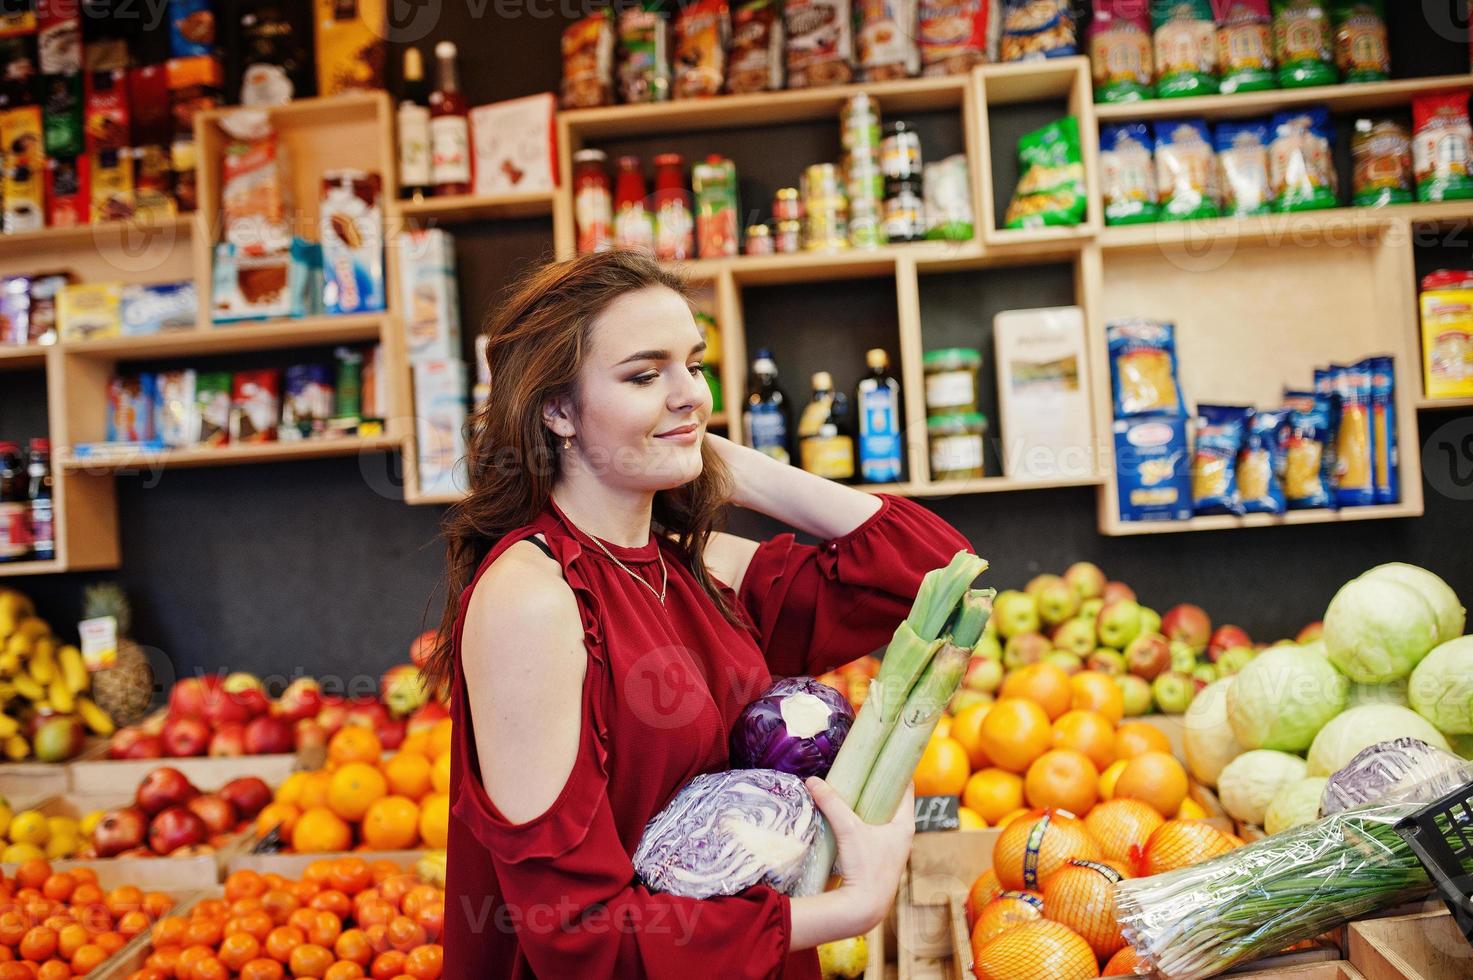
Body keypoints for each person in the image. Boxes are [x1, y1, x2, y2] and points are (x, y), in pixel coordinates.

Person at [423, 250, 974, 978]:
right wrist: (853, 906)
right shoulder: (533, 597)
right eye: (645, 375)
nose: (689, 393)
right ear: (556, 410)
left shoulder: (696, 565)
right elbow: (575, 934)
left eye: (695, 364)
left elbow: (933, 580)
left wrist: (727, 462)